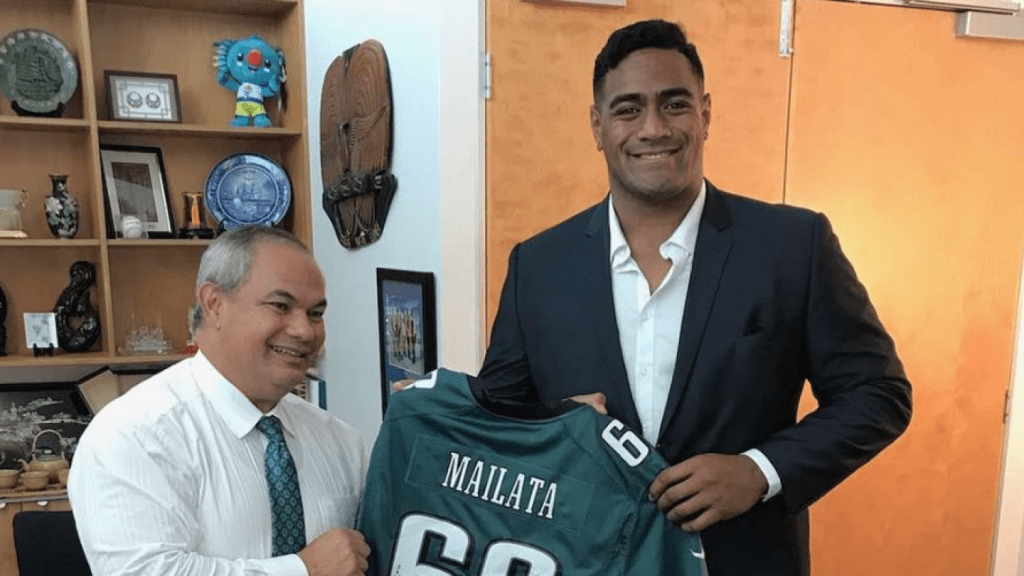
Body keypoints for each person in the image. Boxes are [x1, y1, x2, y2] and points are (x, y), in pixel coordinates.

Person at [478, 19, 912, 576]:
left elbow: (878, 394)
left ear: (705, 114)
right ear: (597, 125)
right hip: (580, 560)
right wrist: (554, 424)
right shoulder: (538, 266)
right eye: (628, 108)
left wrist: (759, 471)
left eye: (675, 104)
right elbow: (493, 422)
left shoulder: (793, 246)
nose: (653, 128)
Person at [68, 225, 369, 576]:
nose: (304, 331)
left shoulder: (341, 441)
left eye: (315, 314)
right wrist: (304, 570)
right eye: (280, 305)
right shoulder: (133, 436)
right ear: (214, 304)